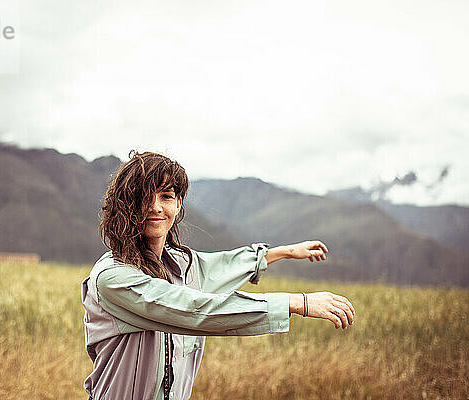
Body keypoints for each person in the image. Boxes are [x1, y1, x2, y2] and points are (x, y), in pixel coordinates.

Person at [81, 151, 355, 400]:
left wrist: (280, 253)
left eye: (166, 196)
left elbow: (221, 266)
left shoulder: (180, 265)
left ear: (178, 205)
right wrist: (295, 303)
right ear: (125, 204)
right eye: (144, 197)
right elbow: (191, 309)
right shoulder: (112, 279)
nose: (155, 207)